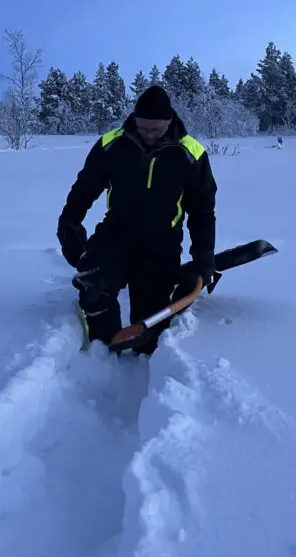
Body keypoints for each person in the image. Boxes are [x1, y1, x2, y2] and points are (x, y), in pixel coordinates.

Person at [56, 84, 218, 354]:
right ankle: (104, 350)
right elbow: (85, 188)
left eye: (156, 129)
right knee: (95, 287)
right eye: (143, 128)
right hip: (115, 233)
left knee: (151, 320)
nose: (149, 135)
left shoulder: (191, 153)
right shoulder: (112, 144)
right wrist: (69, 223)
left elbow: (202, 210)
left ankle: (146, 359)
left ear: (170, 121)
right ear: (134, 119)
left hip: (162, 242)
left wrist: (204, 256)